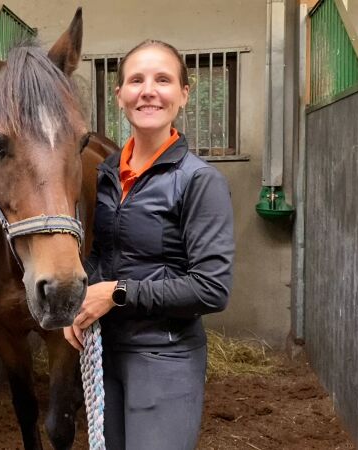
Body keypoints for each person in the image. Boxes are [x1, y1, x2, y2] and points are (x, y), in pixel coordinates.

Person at [64, 40, 235, 450]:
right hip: (108, 352)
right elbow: (104, 256)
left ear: (183, 94)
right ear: (119, 94)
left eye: (163, 80)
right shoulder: (108, 173)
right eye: (136, 80)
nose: (148, 91)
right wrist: (78, 303)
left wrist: (117, 293)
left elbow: (211, 289)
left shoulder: (199, 180)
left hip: (165, 357)